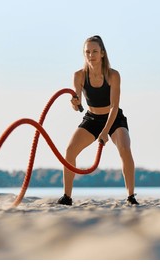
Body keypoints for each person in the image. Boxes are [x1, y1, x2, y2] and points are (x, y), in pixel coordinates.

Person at [58, 35, 139, 206]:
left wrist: (105, 132)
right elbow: (77, 105)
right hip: (92, 118)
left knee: (125, 148)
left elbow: (114, 107)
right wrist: (74, 103)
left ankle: (131, 196)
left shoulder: (113, 75)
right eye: (87, 52)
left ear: (102, 53)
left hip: (114, 118)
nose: (91, 55)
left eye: (94, 51)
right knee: (70, 150)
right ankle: (67, 197)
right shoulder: (79, 76)